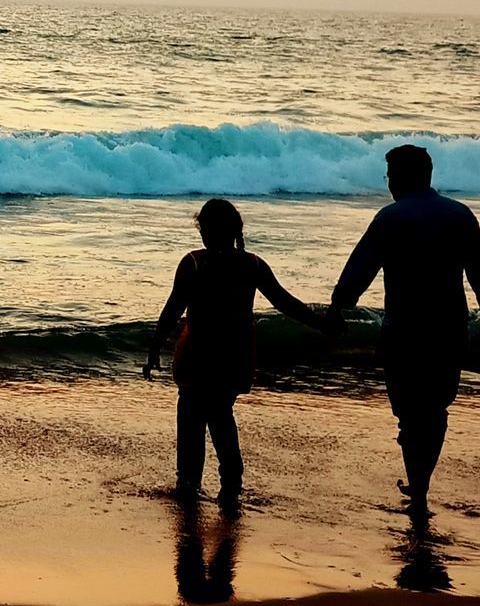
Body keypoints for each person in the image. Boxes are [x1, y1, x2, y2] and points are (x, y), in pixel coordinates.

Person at [145, 198, 331, 505]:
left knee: (191, 417)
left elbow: (172, 309)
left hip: (197, 354)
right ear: (236, 231)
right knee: (222, 416)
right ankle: (231, 484)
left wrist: (155, 347)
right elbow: (286, 303)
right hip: (235, 356)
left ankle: (189, 483)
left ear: (202, 231)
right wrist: (321, 324)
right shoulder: (252, 265)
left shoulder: (193, 262)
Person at [326, 144, 480, 513]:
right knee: (436, 408)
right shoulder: (460, 215)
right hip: (449, 326)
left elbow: (360, 268)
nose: (389, 183)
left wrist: (337, 307)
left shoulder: (391, 218)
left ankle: (419, 487)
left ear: (402, 177)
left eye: (390, 176)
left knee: (409, 412)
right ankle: (421, 485)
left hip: (404, 328)